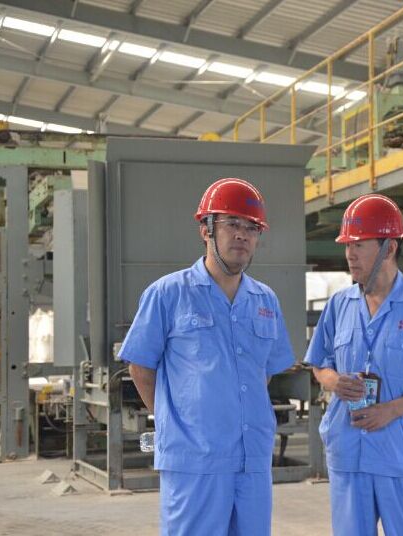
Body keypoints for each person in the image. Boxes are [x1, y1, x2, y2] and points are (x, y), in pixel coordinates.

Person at [119, 178, 296, 536]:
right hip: (195, 461)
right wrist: (175, 422)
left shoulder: (265, 300)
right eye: (232, 224)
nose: (242, 235)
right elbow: (140, 367)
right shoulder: (168, 294)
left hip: (252, 460)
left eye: (252, 228)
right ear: (206, 230)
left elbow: (263, 372)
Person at [305, 194, 403, 536]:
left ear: (389, 248)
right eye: (348, 245)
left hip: (400, 455)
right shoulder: (339, 305)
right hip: (348, 453)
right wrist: (333, 381)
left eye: (359, 244)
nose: (350, 254)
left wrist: (392, 410)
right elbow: (319, 363)